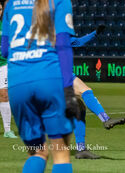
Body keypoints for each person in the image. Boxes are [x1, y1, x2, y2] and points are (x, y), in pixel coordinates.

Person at [1, 0, 80, 172]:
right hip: (49, 78)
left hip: (18, 83)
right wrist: (68, 90)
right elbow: (63, 44)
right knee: (60, 152)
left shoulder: (11, 3)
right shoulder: (60, 1)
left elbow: (5, 50)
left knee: (37, 152)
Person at [70, 27, 125, 159]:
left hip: (53, 75)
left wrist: (95, 33)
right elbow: (79, 42)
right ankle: (105, 119)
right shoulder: (57, 36)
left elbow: (78, 41)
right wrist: (95, 33)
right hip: (57, 74)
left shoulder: (52, 36)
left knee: (79, 109)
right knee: (85, 91)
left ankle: (81, 149)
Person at [0, 1, 17, 138]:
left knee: (4, 95)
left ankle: (7, 130)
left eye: (0, 9)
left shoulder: (6, 25)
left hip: (3, 65)